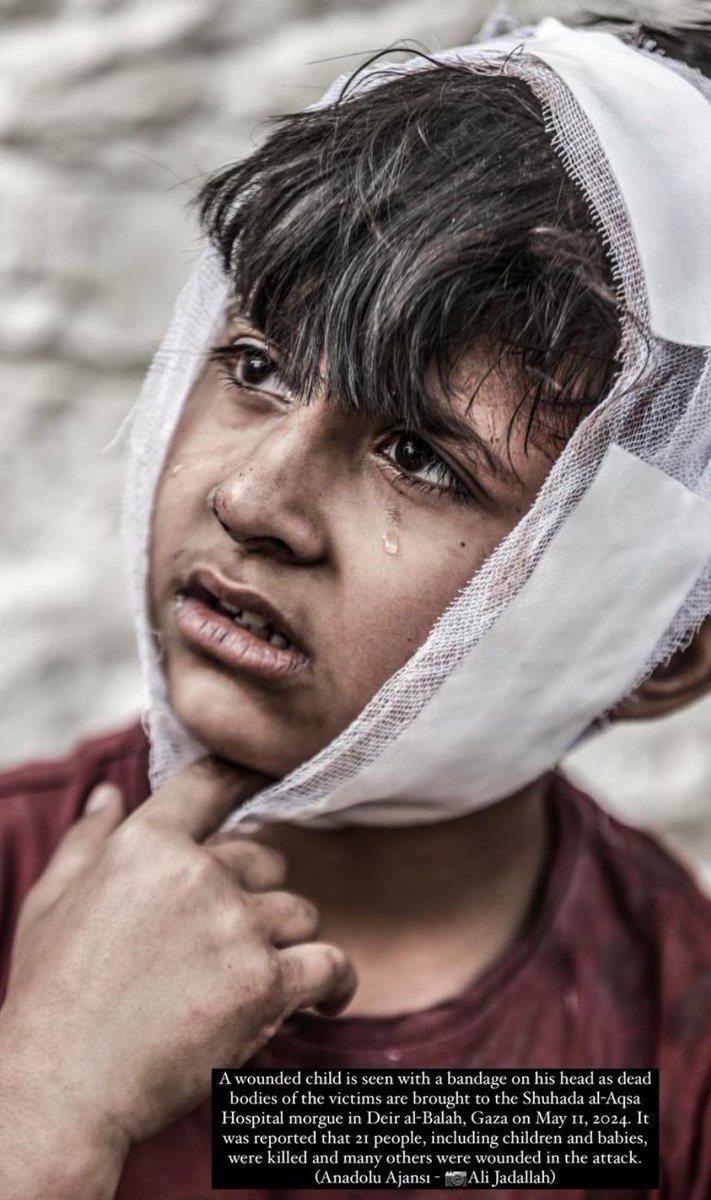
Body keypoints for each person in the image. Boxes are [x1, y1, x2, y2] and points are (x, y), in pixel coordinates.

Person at [1, 10, 711, 1200]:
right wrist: (47, 1102)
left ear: (660, 647)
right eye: (258, 366)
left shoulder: (672, 1031)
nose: (253, 495)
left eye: (422, 458)